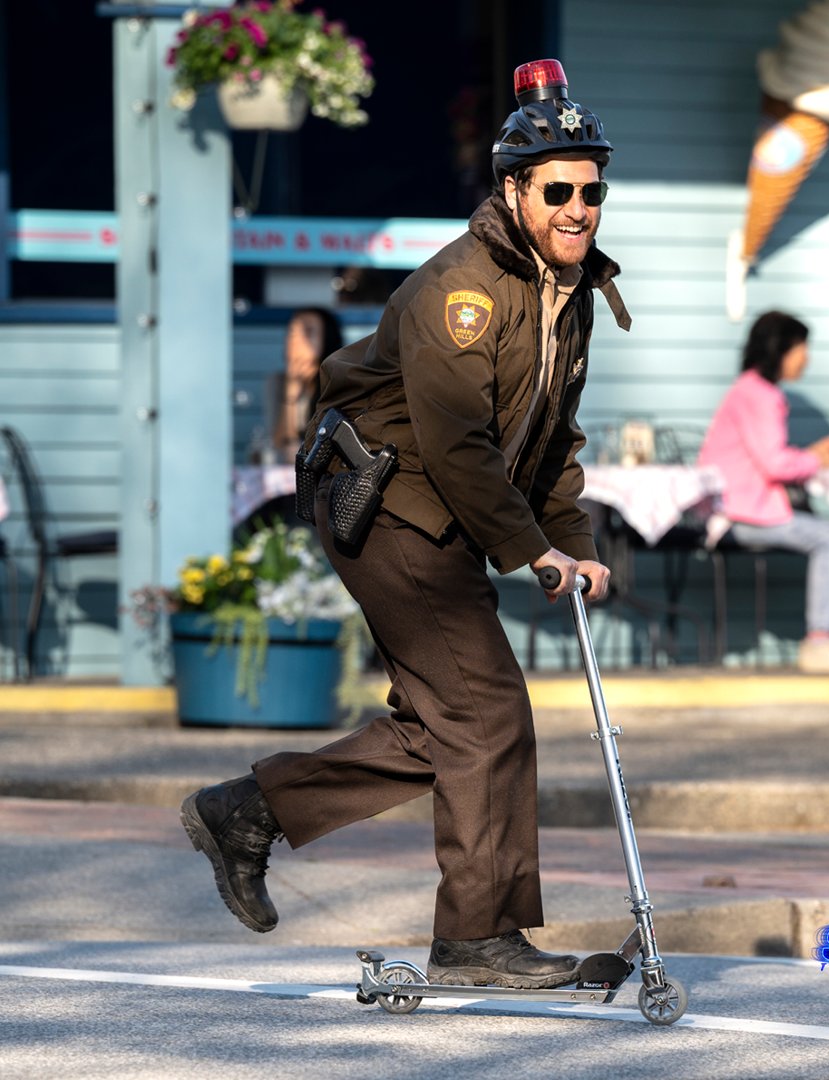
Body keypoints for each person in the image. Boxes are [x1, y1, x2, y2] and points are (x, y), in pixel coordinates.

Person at [180, 59, 628, 991]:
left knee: (443, 728)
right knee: (490, 711)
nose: (580, 206)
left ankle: (246, 812)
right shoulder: (460, 293)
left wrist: (575, 542)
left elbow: (548, 444)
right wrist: (531, 554)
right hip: (386, 508)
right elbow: (460, 446)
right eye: (560, 190)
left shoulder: (566, 293)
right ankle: (477, 940)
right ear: (514, 191)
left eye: (592, 188)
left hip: (436, 513)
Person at [697, 310, 829, 675]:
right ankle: (822, 641)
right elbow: (775, 464)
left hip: (735, 510)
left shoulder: (749, 389)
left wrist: (813, 457)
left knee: (828, 535)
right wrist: (817, 458)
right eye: (800, 347)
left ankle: (825, 638)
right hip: (737, 515)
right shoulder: (760, 394)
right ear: (779, 349)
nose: (806, 356)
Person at [266, 307, 344, 463]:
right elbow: (279, 443)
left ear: (327, 338)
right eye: (291, 332)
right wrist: (291, 390)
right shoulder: (277, 382)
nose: (295, 341)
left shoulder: (339, 382)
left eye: (307, 332)